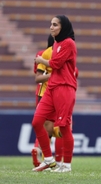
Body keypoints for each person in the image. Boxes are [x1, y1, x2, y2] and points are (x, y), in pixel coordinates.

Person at [32, 15, 77, 173]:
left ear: (63, 27)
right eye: (51, 24)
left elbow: (56, 63)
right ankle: (49, 159)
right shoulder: (57, 44)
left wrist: (41, 60)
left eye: (55, 25)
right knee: (37, 121)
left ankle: (66, 165)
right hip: (51, 87)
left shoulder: (69, 43)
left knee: (63, 127)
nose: (51, 27)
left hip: (64, 87)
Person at [31, 34, 55, 167]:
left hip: (40, 93)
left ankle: (39, 150)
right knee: (54, 126)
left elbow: (37, 72)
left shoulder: (41, 54)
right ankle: (46, 155)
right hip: (53, 93)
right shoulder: (60, 54)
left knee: (42, 124)